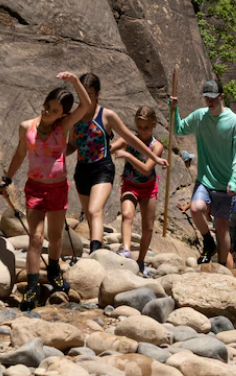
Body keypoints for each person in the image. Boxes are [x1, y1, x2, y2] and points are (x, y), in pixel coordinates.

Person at [0, 73, 93, 310]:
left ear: (63, 114)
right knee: (35, 238)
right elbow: (21, 153)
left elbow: (86, 105)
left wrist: (74, 81)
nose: (47, 111)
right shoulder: (26, 127)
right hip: (35, 189)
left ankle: (53, 269)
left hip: (58, 189)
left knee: (56, 237)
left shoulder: (64, 126)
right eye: (47, 106)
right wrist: (7, 178)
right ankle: (31, 288)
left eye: (54, 110)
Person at [70, 73, 168, 254]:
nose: (85, 97)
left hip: (104, 170)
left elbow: (131, 138)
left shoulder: (107, 115)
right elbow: (72, 144)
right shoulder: (74, 117)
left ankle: (98, 255)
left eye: (89, 93)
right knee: (92, 218)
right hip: (82, 170)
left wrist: (153, 158)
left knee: (95, 211)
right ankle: (99, 253)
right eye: (81, 92)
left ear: (97, 94)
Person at [171, 79, 236, 264]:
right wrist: (175, 110)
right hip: (205, 179)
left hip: (226, 182)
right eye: (206, 98)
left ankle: (221, 267)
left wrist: (234, 181)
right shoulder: (200, 116)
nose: (209, 101)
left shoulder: (235, 121)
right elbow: (179, 129)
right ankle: (207, 242)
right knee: (196, 208)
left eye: (212, 98)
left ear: (221, 97)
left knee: (222, 227)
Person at [110, 106, 164, 273]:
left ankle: (140, 260)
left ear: (153, 125)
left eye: (146, 128)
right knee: (127, 214)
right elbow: (111, 148)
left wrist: (127, 156)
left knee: (148, 227)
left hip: (148, 189)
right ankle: (126, 249)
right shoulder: (129, 139)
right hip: (130, 185)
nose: (142, 131)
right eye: (139, 127)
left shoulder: (156, 147)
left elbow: (146, 169)